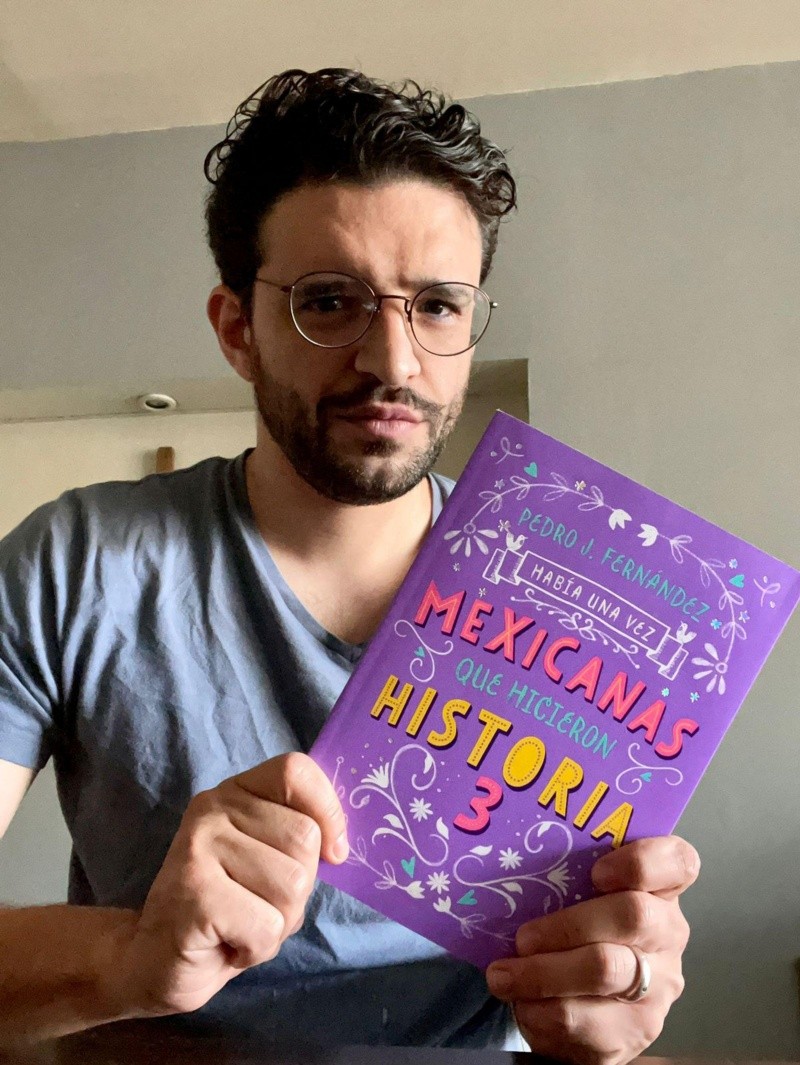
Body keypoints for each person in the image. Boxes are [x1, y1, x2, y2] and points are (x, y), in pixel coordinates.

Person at [0, 69, 697, 1060]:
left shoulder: (580, 597)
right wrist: (129, 957)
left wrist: (614, 1001)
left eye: (438, 306)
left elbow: (606, 973)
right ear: (237, 331)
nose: (393, 362)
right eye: (329, 302)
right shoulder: (76, 564)